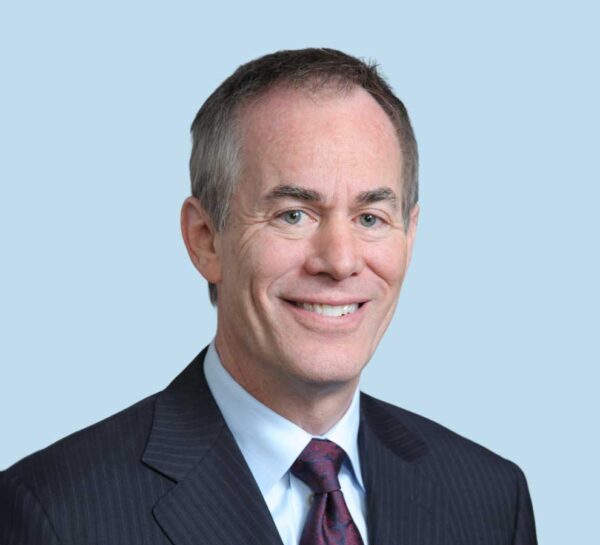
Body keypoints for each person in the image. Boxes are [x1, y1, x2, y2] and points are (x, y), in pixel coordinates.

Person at [0, 48, 537, 544]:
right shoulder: (56, 512)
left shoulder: (490, 499)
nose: (341, 261)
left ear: (409, 236)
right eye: (294, 215)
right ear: (205, 239)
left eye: (370, 217)